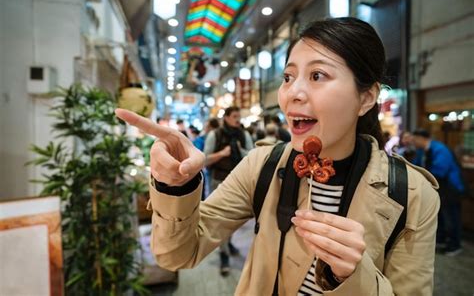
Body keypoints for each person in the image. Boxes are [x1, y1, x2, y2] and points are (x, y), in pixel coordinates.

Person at [115, 17, 439, 295]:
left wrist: (354, 277)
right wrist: (176, 187)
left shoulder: (412, 194)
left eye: (317, 76)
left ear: (367, 97)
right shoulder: (263, 166)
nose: (292, 93)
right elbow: (178, 255)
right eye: (288, 77)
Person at [203, 106, 254, 275]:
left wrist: (240, 150)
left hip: (239, 182)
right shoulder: (215, 134)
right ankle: (224, 255)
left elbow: (253, 155)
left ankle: (228, 243)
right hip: (219, 181)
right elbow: (205, 160)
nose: (238, 119)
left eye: (239, 116)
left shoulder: (243, 134)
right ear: (226, 118)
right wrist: (222, 154)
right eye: (234, 116)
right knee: (220, 220)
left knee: (234, 219)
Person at [412, 128, 465, 256]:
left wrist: (422, 175)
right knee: (439, 215)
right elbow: (415, 166)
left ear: (421, 139)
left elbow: (440, 171)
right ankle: (441, 239)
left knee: (452, 217)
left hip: (451, 187)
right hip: (439, 189)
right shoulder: (421, 151)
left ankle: (455, 245)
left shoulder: (440, 149)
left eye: (415, 139)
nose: (413, 142)